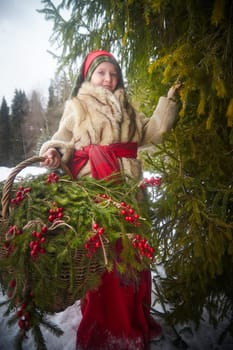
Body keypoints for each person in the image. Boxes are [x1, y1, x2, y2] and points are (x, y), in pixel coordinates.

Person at [39, 50, 181, 350]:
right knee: (102, 256)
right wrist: (53, 151)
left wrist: (169, 100)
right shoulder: (77, 105)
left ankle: (132, 317)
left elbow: (153, 131)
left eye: (113, 73)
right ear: (90, 76)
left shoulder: (128, 106)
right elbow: (63, 139)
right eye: (102, 72)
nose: (108, 78)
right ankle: (104, 324)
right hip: (94, 190)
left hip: (129, 190)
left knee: (131, 254)